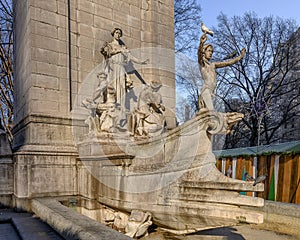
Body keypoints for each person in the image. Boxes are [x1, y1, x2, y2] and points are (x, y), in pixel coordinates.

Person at [100, 27, 148, 111]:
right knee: (112, 85)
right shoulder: (110, 45)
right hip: (113, 68)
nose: (118, 34)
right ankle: (112, 104)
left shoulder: (123, 47)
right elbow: (107, 53)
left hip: (121, 68)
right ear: (113, 34)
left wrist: (141, 62)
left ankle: (120, 105)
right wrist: (119, 51)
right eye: (116, 33)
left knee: (122, 86)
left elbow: (131, 57)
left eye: (119, 33)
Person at [198, 33, 246, 111]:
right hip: (206, 91)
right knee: (211, 112)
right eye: (209, 51)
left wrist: (240, 57)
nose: (210, 53)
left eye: (212, 52)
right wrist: (201, 43)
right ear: (204, 52)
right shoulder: (202, 64)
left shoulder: (213, 65)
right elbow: (199, 54)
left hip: (211, 93)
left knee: (210, 114)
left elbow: (227, 63)